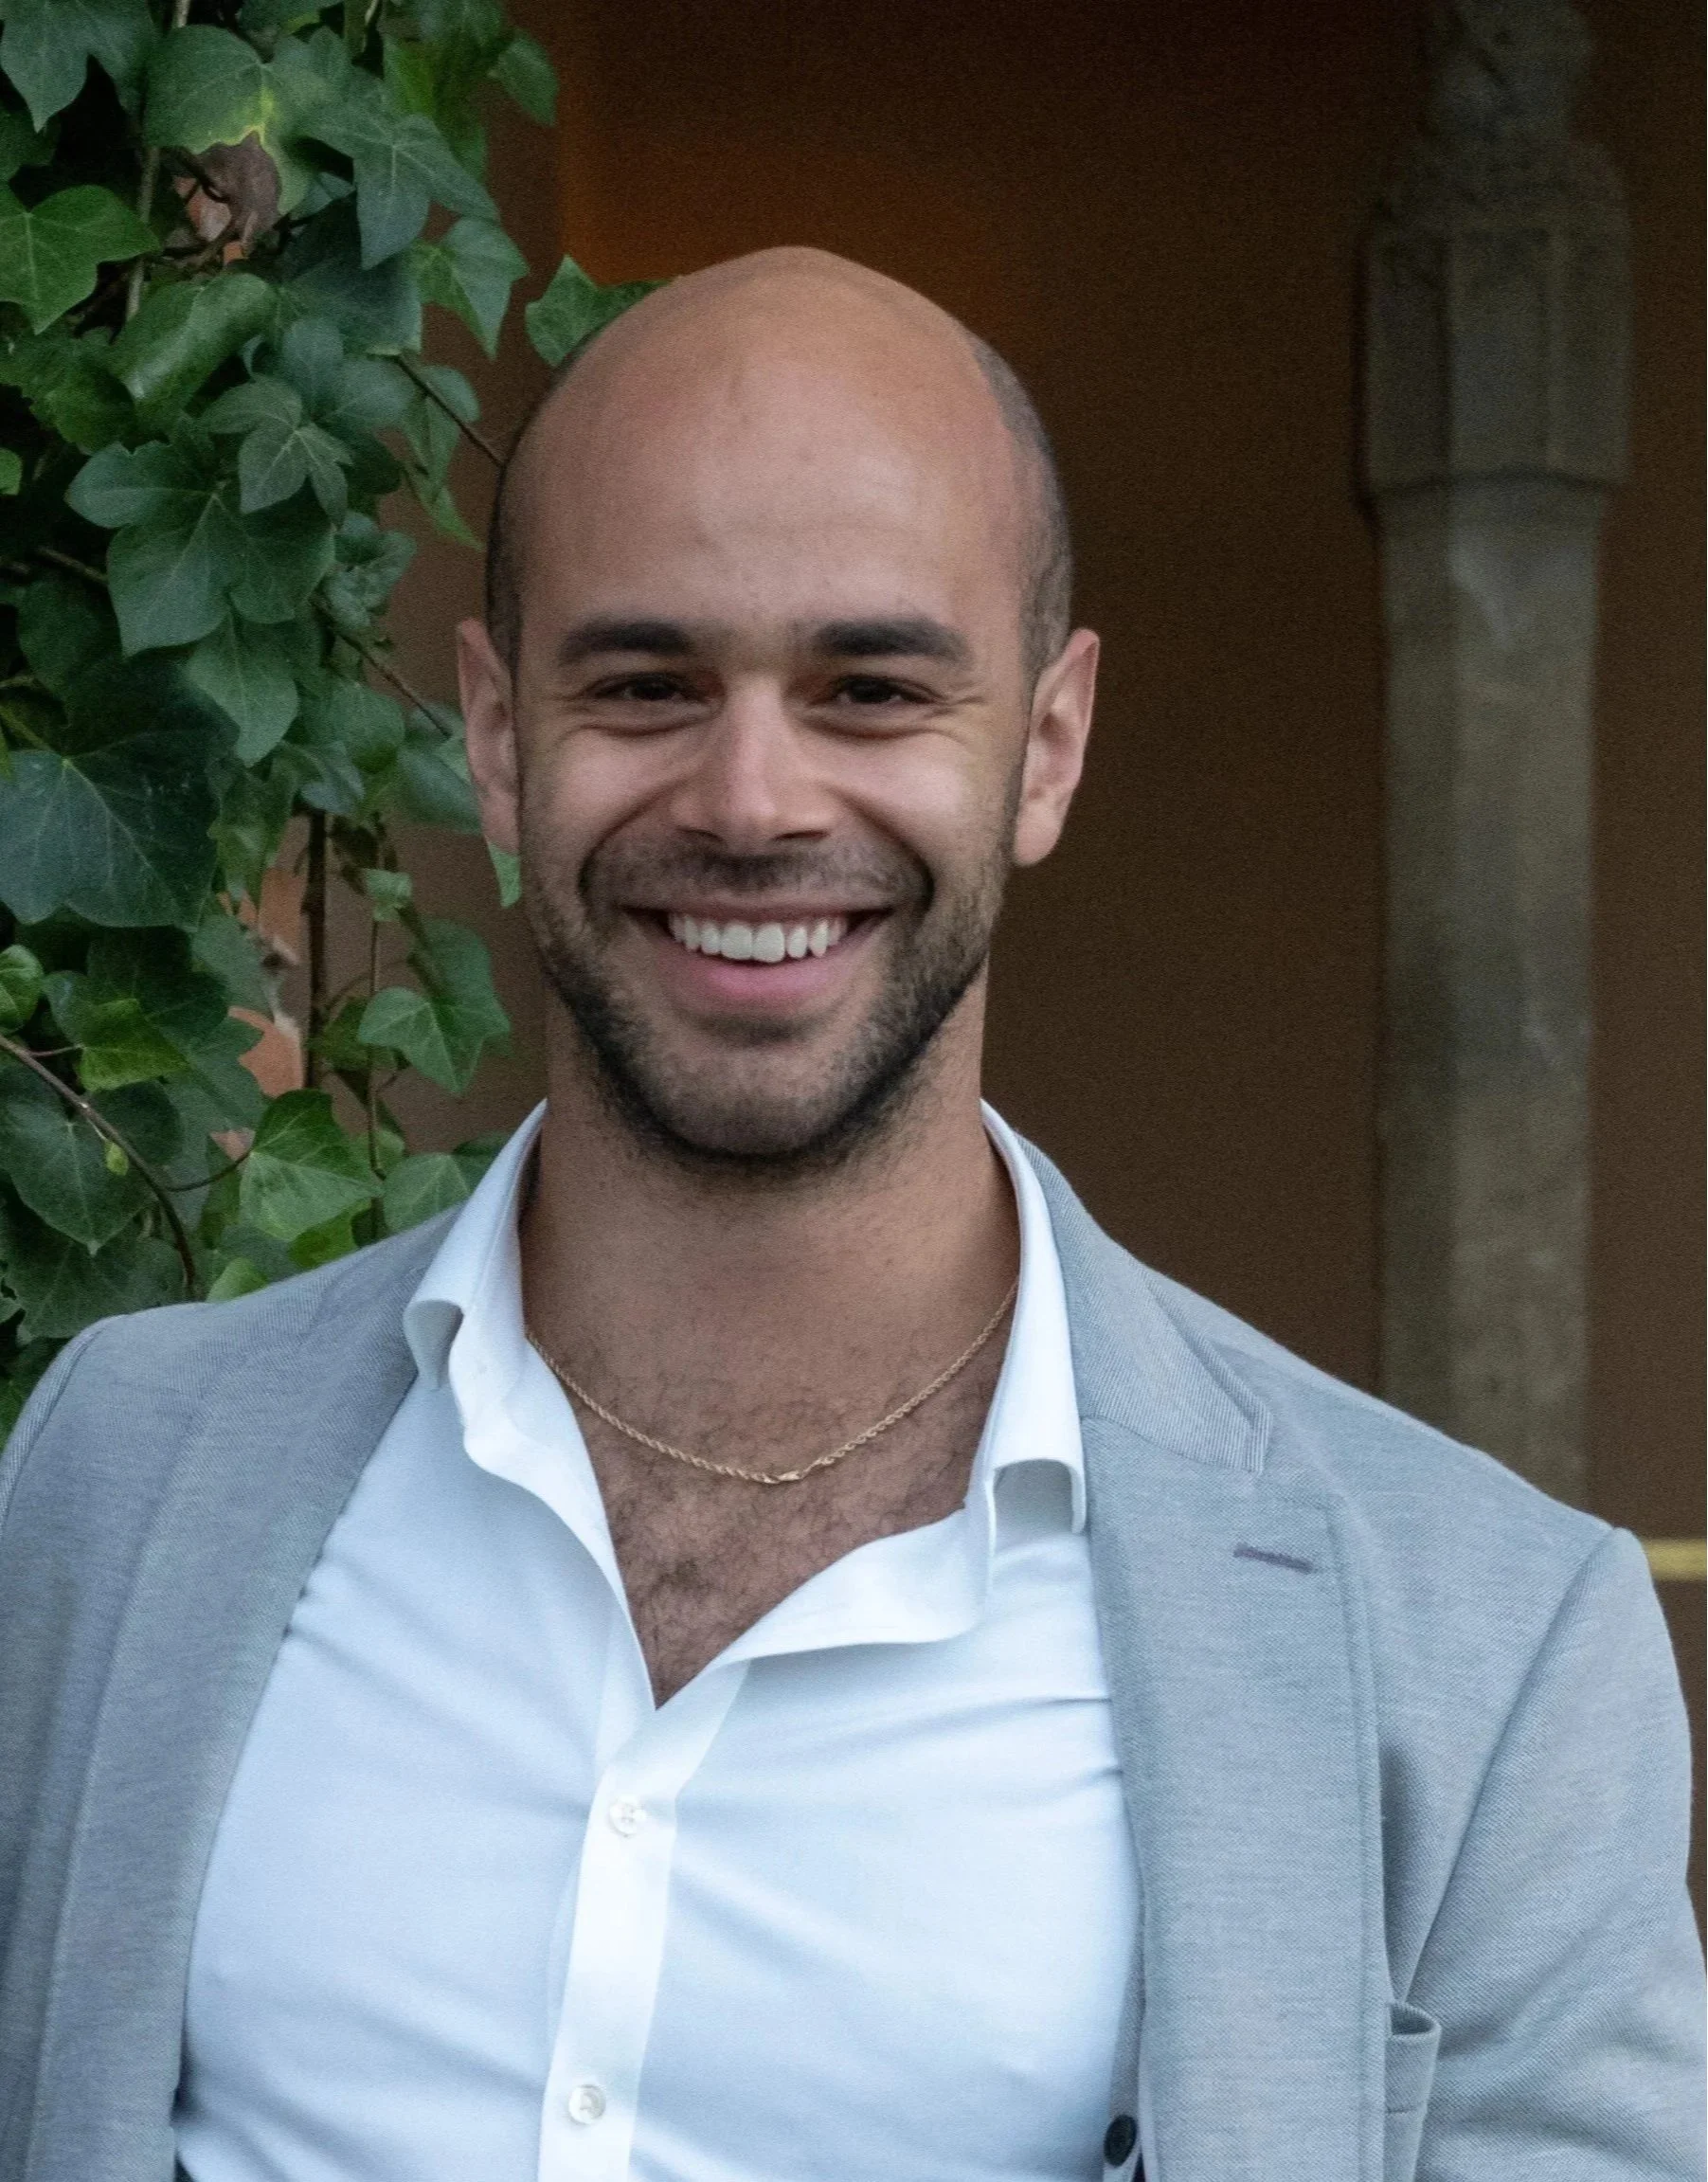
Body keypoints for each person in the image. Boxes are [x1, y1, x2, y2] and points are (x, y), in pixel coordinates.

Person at [0, 248, 1699, 2182]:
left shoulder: (1484, 1653)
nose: (750, 794)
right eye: (644, 682)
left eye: (870, 687)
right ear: (492, 738)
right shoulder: (118, 1477)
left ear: (1045, 744)